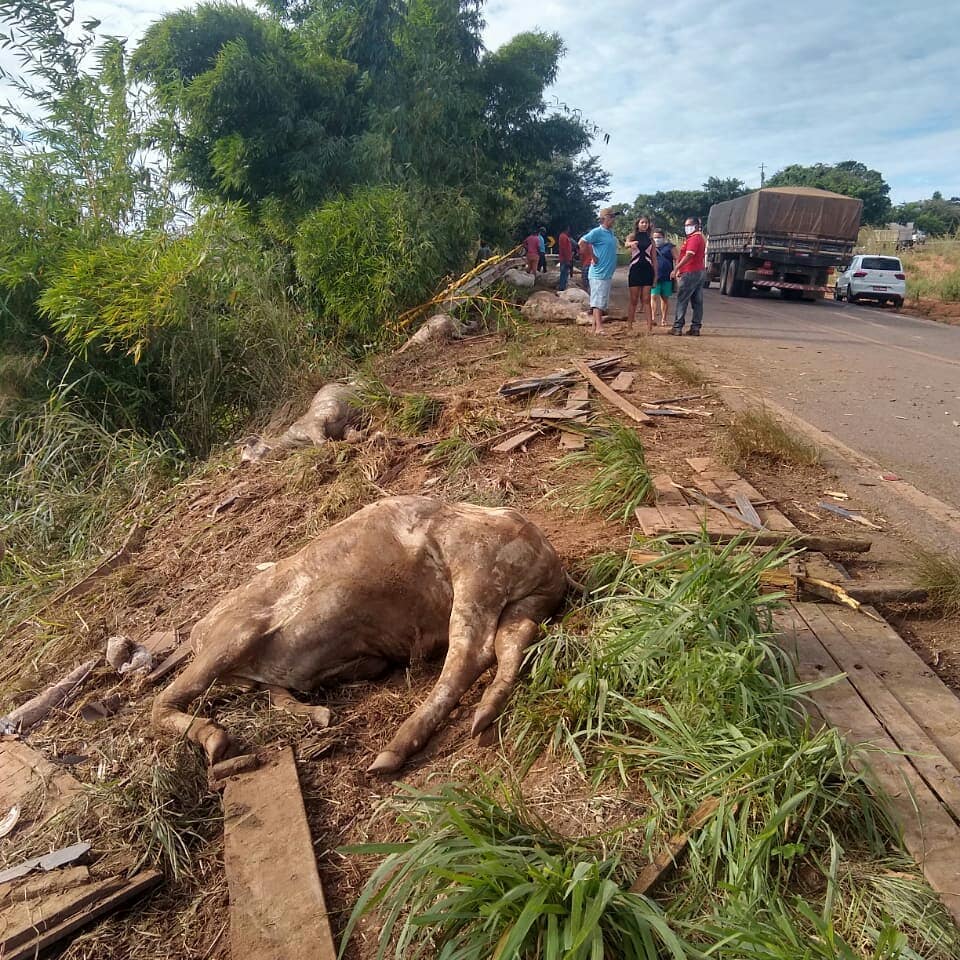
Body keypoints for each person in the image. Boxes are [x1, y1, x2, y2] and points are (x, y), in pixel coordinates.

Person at [579, 207, 620, 335]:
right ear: (604, 219)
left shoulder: (610, 233)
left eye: (614, 217)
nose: (614, 219)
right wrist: (592, 256)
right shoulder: (597, 232)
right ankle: (599, 328)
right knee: (597, 302)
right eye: (611, 217)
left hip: (606, 273)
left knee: (602, 301)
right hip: (598, 273)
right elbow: (582, 242)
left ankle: (595, 327)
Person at [670, 216, 707, 336]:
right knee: (697, 301)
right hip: (699, 271)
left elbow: (689, 255)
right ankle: (695, 327)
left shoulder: (694, 239)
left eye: (688, 225)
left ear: (695, 226)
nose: (686, 228)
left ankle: (677, 327)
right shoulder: (699, 238)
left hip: (690, 271)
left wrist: (676, 268)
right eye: (685, 225)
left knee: (682, 300)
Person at [626, 215, 657, 334]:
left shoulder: (650, 239)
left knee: (646, 299)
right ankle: (629, 325)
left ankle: (649, 327)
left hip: (648, 270)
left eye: (646, 223)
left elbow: (654, 258)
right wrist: (631, 244)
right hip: (635, 270)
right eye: (642, 222)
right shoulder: (632, 236)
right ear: (638, 224)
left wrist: (656, 275)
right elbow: (626, 244)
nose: (644, 224)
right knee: (633, 299)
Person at [650, 228, 676, 326]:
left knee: (664, 298)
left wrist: (675, 270)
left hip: (666, 276)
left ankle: (664, 319)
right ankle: (652, 317)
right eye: (655, 237)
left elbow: (677, 258)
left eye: (659, 237)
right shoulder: (650, 247)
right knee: (653, 296)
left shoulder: (670, 247)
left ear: (663, 238)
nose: (657, 239)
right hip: (654, 277)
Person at [557, 226, 573, 291]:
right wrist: (567, 260)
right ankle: (562, 288)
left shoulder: (563, 236)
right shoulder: (564, 237)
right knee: (564, 273)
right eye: (568, 229)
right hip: (565, 259)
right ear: (566, 229)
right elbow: (564, 249)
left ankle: (562, 287)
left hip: (565, 258)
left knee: (565, 273)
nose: (569, 230)